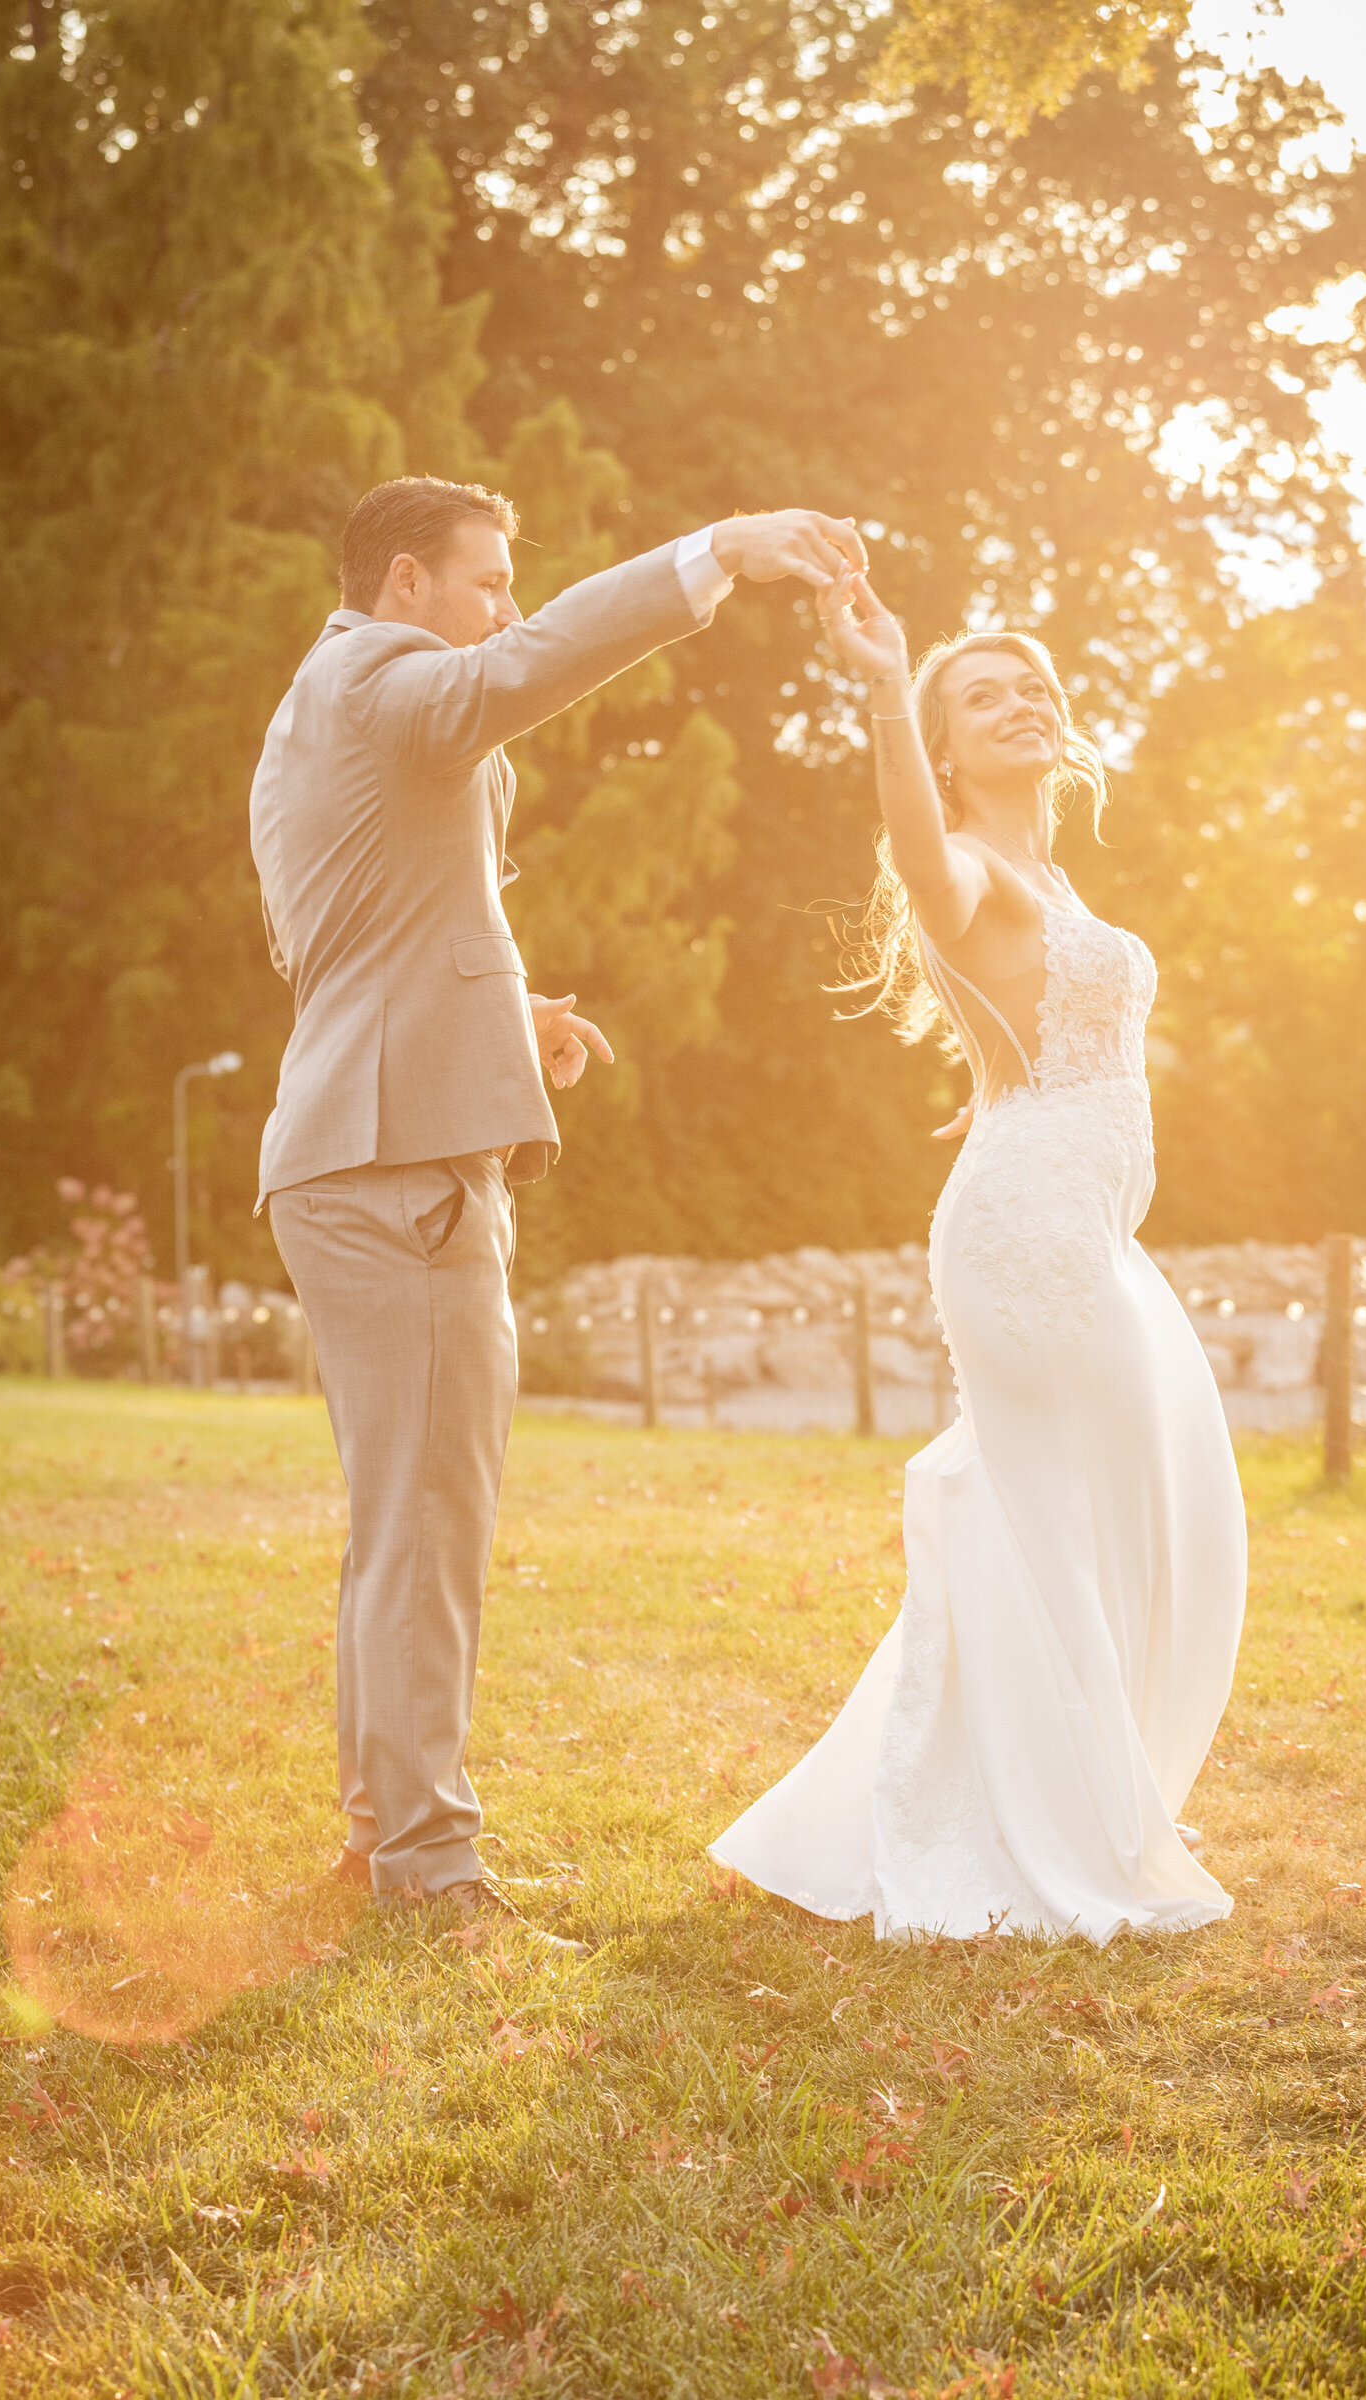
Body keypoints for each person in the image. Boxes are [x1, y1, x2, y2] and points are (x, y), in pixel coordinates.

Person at [253, 477, 867, 1940]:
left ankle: (384, 1840)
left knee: (399, 1521)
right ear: (407, 583)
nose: (508, 611)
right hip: (397, 1162)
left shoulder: (325, 702)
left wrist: (503, 1010)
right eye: (489, 580)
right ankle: (427, 1864)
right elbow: (520, 678)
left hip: (365, 1143)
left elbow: (373, 925)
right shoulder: (386, 674)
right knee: (431, 1519)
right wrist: (711, 557)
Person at [711, 574, 1247, 1944]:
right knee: (1053, 1508)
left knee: (1113, 1500)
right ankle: (1052, 1827)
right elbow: (914, 854)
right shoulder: (962, 866)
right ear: (944, 748)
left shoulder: (1055, 882)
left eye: (1031, 682)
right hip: (1029, 1238)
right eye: (981, 694)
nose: (1020, 701)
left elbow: (1044, 1031)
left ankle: (1071, 1787)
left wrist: (1004, 1083)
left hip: (1078, 1221)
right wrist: (888, 681)